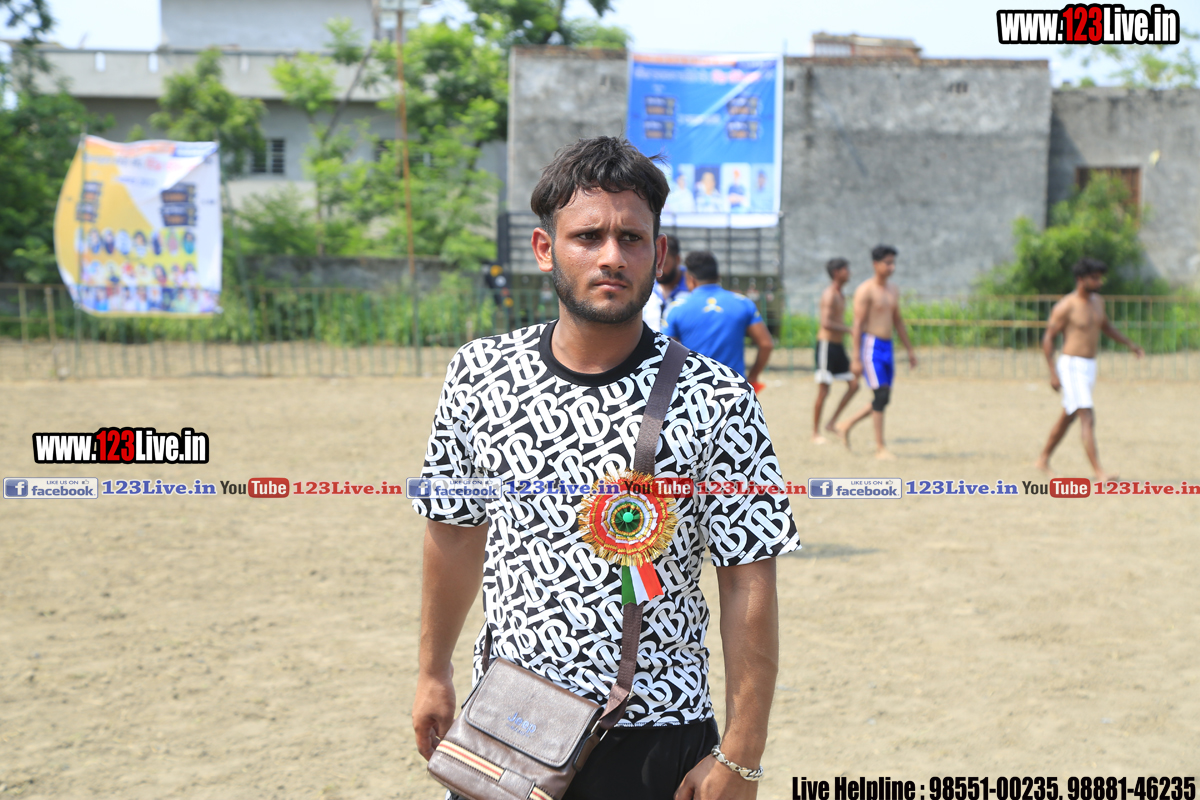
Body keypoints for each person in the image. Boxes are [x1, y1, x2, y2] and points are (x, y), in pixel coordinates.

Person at [411, 136, 799, 800]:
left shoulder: (719, 398)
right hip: (507, 720)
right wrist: (432, 670)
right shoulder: (479, 375)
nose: (612, 256)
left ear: (659, 254)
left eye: (631, 238)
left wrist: (742, 754)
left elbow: (747, 578)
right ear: (545, 249)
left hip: (657, 738)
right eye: (588, 236)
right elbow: (453, 529)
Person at [1035, 257, 1144, 479]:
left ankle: (1042, 459)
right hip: (1072, 365)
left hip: (1089, 366)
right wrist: (1053, 373)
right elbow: (1048, 338)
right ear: (1080, 279)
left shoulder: (1098, 302)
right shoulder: (1066, 306)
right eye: (1094, 278)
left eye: (1099, 278)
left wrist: (1130, 344)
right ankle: (1099, 472)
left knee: (1069, 415)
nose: (1099, 282)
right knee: (1087, 415)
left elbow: (1107, 327)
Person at [836, 244, 917, 459]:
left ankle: (846, 424)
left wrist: (910, 350)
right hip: (871, 346)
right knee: (880, 395)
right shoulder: (865, 290)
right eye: (887, 263)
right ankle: (880, 447)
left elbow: (898, 321)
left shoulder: (893, 289)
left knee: (884, 397)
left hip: (887, 346)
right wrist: (856, 358)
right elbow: (857, 324)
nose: (892, 267)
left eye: (893, 263)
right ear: (875, 264)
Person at [663, 251, 774, 388]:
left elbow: (667, 351)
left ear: (690, 279)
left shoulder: (676, 308)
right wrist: (753, 376)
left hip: (695, 389)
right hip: (734, 388)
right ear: (718, 277)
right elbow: (766, 344)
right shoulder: (743, 303)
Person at [812, 258, 859, 444]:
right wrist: (849, 330)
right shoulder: (829, 294)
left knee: (854, 385)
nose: (849, 273)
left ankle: (831, 422)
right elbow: (825, 323)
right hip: (826, 346)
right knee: (824, 390)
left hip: (838, 347)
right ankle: (815, 432)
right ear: (837, 272)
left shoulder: (841, 294)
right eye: (846, 269)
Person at [640, 234, 689, 332]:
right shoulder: (643, 287)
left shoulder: (693, 288)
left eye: (664, 263)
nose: (658, 269)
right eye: (654, 263)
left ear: (677, 260)